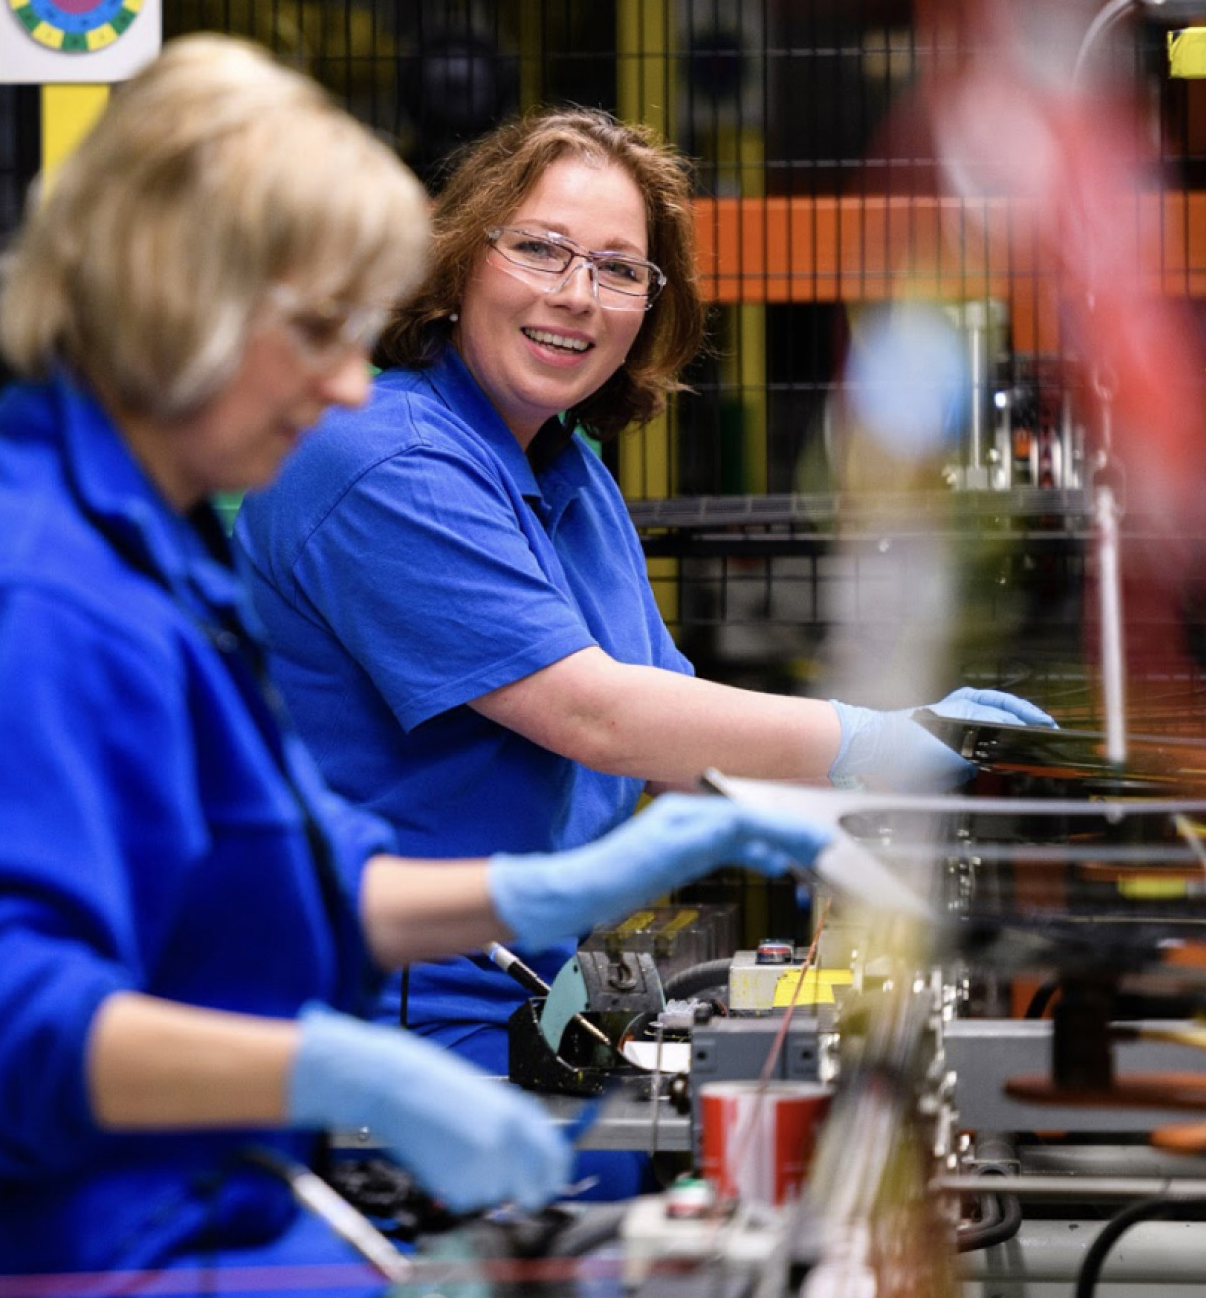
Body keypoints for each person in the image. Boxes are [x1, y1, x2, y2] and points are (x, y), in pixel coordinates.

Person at [0, 37, 837, 1285]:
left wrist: (535, 896)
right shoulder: (31, 588)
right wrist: (337, 1066)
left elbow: (274, 865)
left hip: (197, 1201)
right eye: (318, 334)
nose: (352, 387)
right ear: (174, 295)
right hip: (72, 1246)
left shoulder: (142, 551)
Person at [235, 105, 1055, 1074]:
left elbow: (673, 751)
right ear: (460, 264)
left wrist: (855, 832)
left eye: (620, 268)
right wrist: (871, 741)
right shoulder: (385, 459)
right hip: (373, 1027)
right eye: (541, 249)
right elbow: (598, 715)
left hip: (520, 1006)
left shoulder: (565, 470)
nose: (578, 294)